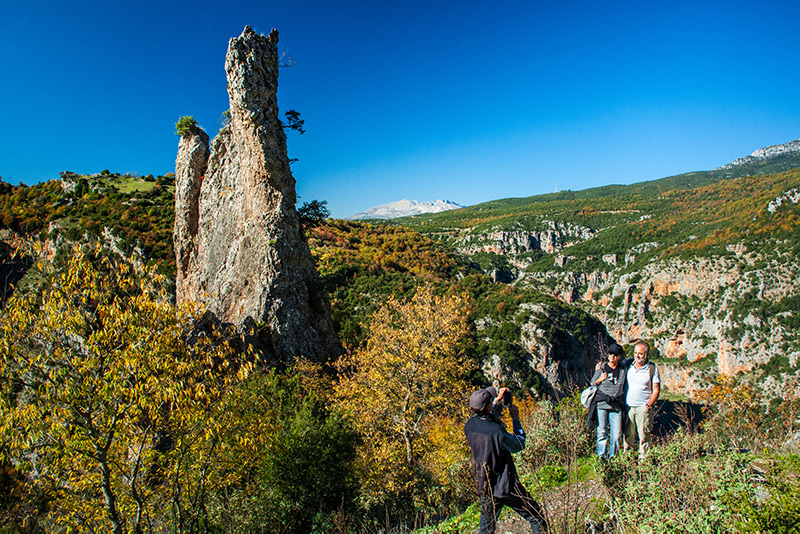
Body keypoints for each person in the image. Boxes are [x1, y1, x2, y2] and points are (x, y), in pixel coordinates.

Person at [464, 387, 547, 534]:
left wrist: (496, 401)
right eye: (491, 400)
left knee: (486, 530)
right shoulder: (497, 433)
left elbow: (485, 417)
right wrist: (516, 419)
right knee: (536, 517)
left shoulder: (469, 426)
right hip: (505, 485)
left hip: (485, 485)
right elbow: (518, 444)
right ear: (487, 406)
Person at [589, 343, 627, 457]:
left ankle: (613, 457)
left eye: (615, 354)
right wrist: (600, 379)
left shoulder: (623, 369)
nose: (612, 356)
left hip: (616, 405)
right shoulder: (602, 368)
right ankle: (602, 456)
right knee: (602, 431)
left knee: (616, 435)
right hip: (602, 404)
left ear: (619, 356)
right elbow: (592, 383)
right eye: (610, 354)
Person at [623, 341, 660, 457]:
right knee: (628, 436)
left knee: (644, 437)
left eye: (641, 354)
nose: (637, 356)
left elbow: (656, 389)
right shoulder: (628, 365)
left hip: (643, 408)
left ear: (647, 354)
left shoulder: (652, 368)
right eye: (635, 353)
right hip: (628, 407)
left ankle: (644, 464)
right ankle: (628, 461)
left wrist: (648, 406)